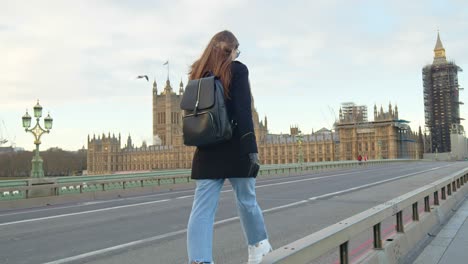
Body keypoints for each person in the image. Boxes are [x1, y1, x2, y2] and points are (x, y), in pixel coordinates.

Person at [186, 30, 272, 264]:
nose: (237, 54)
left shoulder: (197, 74)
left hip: (206, 148)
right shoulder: (238, 69)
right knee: (246, 199)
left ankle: (199, 260)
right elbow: (244, 111)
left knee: (202, 210)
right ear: (231, 50)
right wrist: (251, 148)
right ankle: (258, 248)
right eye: (237, 50)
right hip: (235, 146)